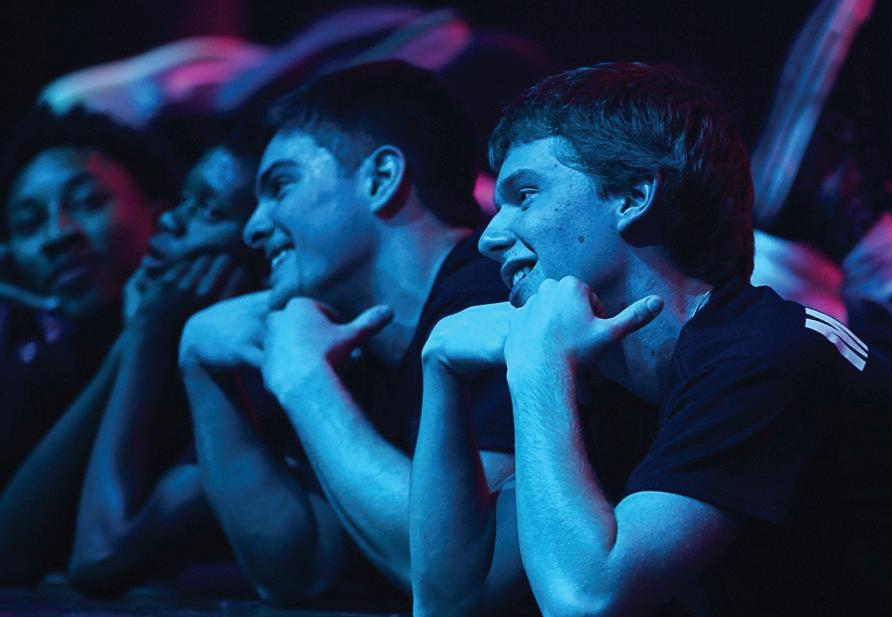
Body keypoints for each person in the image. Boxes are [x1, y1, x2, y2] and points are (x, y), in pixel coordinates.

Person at [411, 62, 892, 616]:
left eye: (526, 194)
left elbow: (586, 599)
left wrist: (538, 366)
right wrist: (440, 371)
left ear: (633, 196)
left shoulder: (761, 355)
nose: (489, 236)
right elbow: (450, 599)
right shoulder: (607, 375)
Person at [178, 60, 514, 604]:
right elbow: (298, 568)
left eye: (281, 185)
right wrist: (200, 366)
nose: (253, 227)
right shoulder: (351, 340)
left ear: (380, 180)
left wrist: (305, 381)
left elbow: (463, 576)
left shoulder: (493, 299)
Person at [66, 136, 261, 594]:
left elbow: (99, 557)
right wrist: (133, 341)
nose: (172, 220)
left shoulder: (261, 386)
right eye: (184, 200)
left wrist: (145, 337)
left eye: (209, 210)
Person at [0, 106, 177, 582]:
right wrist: (129, 347)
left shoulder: (205, 347)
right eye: (28, 224)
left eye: (87, 202)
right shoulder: (30, 373)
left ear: (161, 216)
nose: (58, 235)